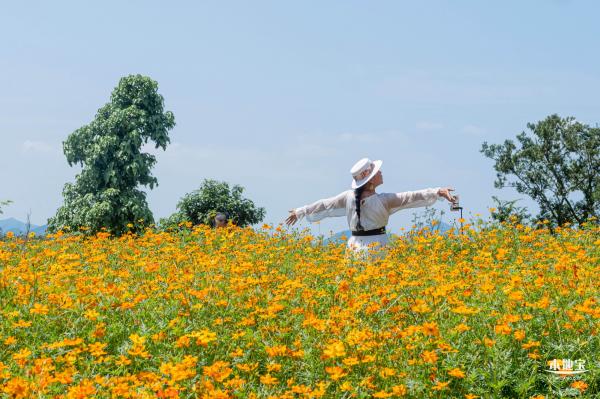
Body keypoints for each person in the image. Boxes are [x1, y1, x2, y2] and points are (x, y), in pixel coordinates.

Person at [285, 157, 456, 257]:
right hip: (378, 248)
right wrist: (438, 191)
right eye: (377, 173)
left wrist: (300, 211)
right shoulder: (385, 200)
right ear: (371, 180)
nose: (381, 173)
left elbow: (323, 204)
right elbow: (412, 196)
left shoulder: (348, 197)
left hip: (354, 249)